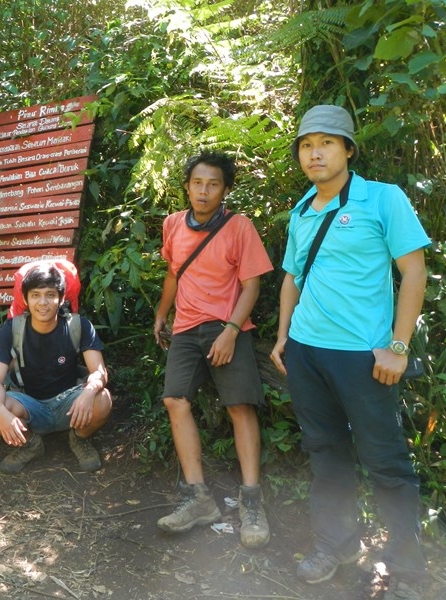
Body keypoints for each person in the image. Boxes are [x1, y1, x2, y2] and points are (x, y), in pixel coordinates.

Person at [270, 105, 430, 598]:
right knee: (325, 455)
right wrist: (283, 338)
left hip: (364, 357)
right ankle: (335, 545)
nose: (314, 153)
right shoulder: (302, 209)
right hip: (307, 353)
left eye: (326, 143)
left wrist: (398, 347)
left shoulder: (383, 199)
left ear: (348, 150)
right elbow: (292, 278)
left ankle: (406, 566)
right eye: (305, 144)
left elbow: (414, 273)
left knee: (385, 461)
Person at [153, 151, 272, 549]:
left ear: (225, 189)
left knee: (240, 406)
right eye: (197, 183)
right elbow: (174, 273)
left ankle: (251, 501)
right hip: (186, 329)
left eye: (213, 184)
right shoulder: (172, 224)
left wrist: (232, 331)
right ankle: (199, 498)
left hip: (227, 326)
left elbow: (252, 284)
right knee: (175, 400)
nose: (204, 191)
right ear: (186, 186)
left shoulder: (239, 227)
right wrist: (162, 313)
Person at [0, 264, 112, 474]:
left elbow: (99, 371)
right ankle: (30, 445)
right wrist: (0, 410)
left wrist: (90, 391)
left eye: (50, 295)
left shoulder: (78, 325)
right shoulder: (12, 329)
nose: (42, 302)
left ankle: (79, 439)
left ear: (61, 299)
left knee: (103, 398)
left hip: (70, 405)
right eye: (35, 295)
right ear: (25, 299)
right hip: (30, 405)